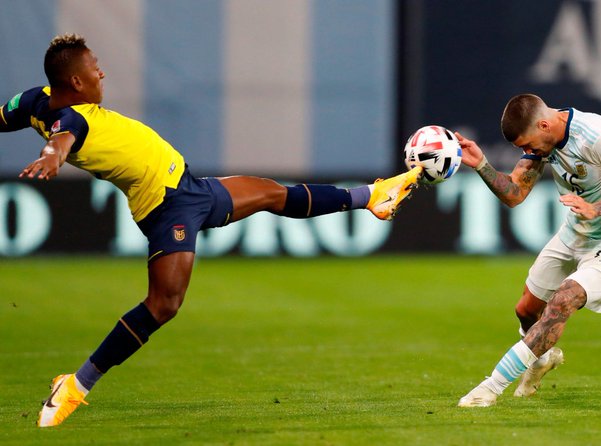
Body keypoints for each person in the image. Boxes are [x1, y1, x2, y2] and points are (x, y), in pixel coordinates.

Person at [0, 33, 423, 427]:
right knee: (164, 305)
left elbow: (7, 115)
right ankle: (75, 385)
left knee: (271, 194)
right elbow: (61, 139)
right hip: (167, 207)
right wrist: (52, 157)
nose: (102, 72)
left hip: (188, 189)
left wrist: (51, 148)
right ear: (76, 79)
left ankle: (371, 196)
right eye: (95, 67)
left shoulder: (36, 101)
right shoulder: (73, 119)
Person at [455, 93, 601, 407]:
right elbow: (515, 194)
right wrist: (481, 164)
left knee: (564, 299)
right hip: (575, 234)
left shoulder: (599, 137)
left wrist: (597, 208)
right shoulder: (545, 140)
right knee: (526, 310)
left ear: (542, 124)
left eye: (527, 145)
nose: (527, 153)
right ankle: (541, 358)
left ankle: (490, 388)